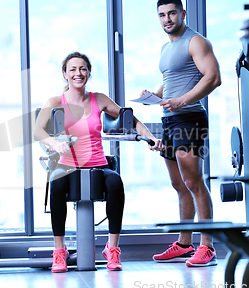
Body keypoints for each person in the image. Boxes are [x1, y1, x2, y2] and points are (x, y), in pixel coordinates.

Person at [34, 51, 162, 273]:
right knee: (57, 185)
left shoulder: (99, 99)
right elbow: (37, 130)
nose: (78, 73)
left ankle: (112, 249)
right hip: (68, 165)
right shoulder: (56, 102)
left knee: (115, 183)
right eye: (72, 69)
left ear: (89, 73)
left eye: (82, 69)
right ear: (65, 74)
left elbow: (130, 120)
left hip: (98, 164)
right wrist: (55, 144)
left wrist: (150, 137)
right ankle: (59, 251)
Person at [144, 0, 221, 267]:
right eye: (162, 14)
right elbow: (172, 80)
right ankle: (184, 243)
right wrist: (154, 94)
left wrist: (182, 101)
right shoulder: (167, 48)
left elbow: (213, 77)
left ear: (183, 13)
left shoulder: (196, 41)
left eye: (172, 13)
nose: (167, 19)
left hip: (189, 118)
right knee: (179, 185)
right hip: (169, 120)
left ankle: (208, 247)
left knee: (194, 182)